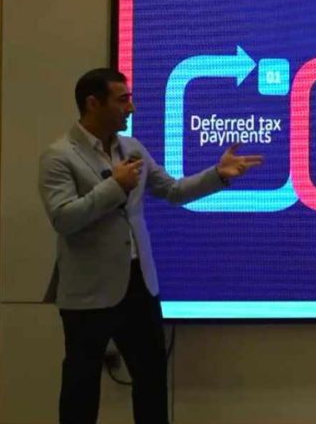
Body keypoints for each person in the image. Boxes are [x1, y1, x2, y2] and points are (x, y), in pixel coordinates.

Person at [37, 67, 263, 424]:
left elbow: (172, 190)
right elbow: (64, 218)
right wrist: (115, 187)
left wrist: (217, 175)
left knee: (152, 380)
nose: (131, 107)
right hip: (88, 292)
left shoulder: (132, 148)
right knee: (81, 386)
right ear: (93, 104)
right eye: (122, 100)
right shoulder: (59, 156)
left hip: (139, 284)